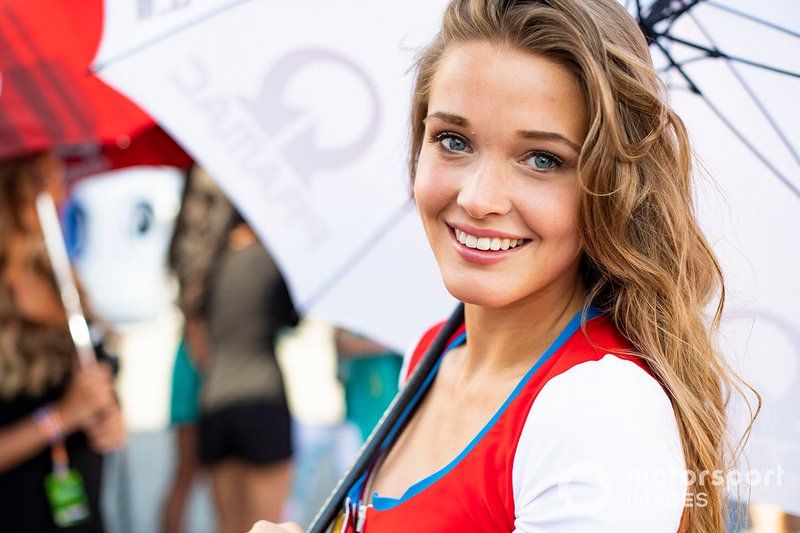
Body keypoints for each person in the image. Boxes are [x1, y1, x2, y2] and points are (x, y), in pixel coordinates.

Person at [249, 0, 758, 532]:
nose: (478, 198)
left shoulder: (603, 412)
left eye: (542, 159)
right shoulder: (431, 355)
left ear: (612, 188)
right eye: (453, 140)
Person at [0, 152, 126, 532]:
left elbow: (93, 388)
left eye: (57, 177)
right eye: (40, 178)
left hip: (80, 510)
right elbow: (64, 407)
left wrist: (111, 417)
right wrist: (61, 417)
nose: (57, 191)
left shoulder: (62, 280)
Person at [196, 209, 300, 533]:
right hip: (261, 396)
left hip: (215, 398)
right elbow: (292, 317)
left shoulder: (208, 262)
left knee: (227, 526)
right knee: (268, 524)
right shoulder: (269, 259)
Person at [161, 166, 235, 533]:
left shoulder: (193, 241)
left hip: (201, 365)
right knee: (188, 473)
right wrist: (215, 373)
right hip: (201, 367)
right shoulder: (207, 243)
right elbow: (194, 324)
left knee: (191, 475)